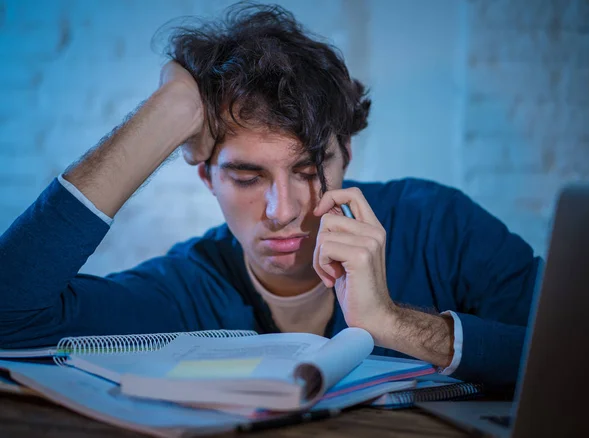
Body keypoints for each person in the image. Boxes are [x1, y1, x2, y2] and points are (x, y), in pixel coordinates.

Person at [0, 4, 541, 387]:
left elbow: (577, 351)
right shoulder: (186, 289)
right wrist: (169, 113)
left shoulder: (439, 224)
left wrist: (395, 324)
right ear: (206, 177)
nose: (283, 213)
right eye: (247, 176)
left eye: (308, 169)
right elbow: (9, 320)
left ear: (345, 156)